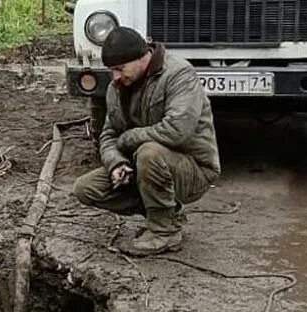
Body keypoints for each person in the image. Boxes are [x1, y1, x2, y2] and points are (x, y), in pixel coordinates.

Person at [73, 27, 221, 254]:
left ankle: (164, 233)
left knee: (148, 152)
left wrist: (129, 138)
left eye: (120, 69)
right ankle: (168, 215)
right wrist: (116, 164)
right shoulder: (118, 87)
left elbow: (177, 130)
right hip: (145, 166)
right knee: (85, 189)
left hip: (194, 170)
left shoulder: (179, 74)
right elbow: (108, 135)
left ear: (143, 57)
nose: (115, 77)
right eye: (112, 70)